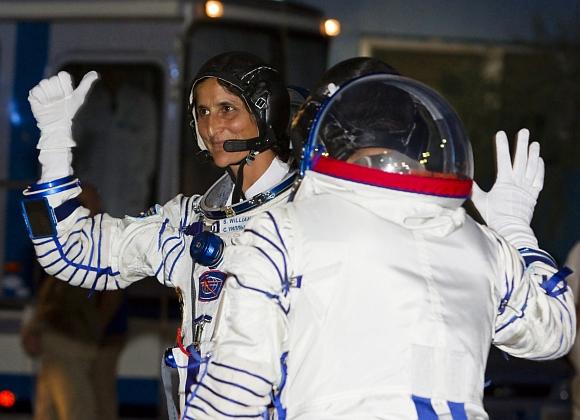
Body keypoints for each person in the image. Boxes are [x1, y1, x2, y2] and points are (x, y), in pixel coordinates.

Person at [181, 66, 575, 419]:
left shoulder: (284, 231)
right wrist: (514, 228)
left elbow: (233, 393)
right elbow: (554, 333)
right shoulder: (483, 246)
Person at [21, 51, 297, 416]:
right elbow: (70, 251)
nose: (212, 127)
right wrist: (54, 144)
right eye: (202, 112)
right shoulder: (189, 222)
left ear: (265, 114)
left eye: (227, 109)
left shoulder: (305, 215)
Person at [20, 186, 127, 420]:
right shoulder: (69, 242)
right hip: (68, 338)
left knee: (88, 403)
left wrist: (92, 328)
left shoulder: (99, 241)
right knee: (69, 405)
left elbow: (113, 293)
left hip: (81, 338)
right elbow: (45, 290)